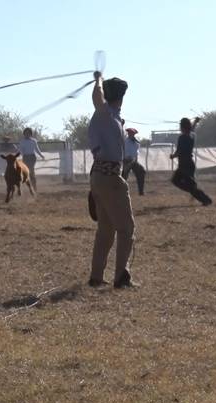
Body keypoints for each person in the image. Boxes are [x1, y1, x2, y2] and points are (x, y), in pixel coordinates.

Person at [87, 71, 136, 289]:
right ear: (122, 95)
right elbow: (97, 98)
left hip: (99, 176)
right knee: (126, 229)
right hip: (110, 177)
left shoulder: (111, 117)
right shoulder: (105, 112)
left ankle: (97, 276)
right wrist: (98, 79)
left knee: (106, 229)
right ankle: (121, 278)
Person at [171, 117, 213, 205]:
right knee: (185, 183)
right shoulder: (191, 136)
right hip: (189, 164)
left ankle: (206, 199)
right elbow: (192, 130)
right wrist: (195, 122)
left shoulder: (182, 137)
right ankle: (200, 195)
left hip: (184, 164)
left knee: (176, 181)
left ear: (182, 127)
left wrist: (172, 156)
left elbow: (179, 151)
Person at [121, 128, 146, 195]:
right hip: (126, 161)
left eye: (132, 134)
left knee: (141, 172)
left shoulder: (136, 143)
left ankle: (141, 191)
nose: (131, 135)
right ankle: (121, 191)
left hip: (133, 161)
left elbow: (136, 153)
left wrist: (135, 160)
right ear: (128, 134)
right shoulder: (125, 141)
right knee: (123, 176)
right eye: (130, 133)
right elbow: (125, 152)